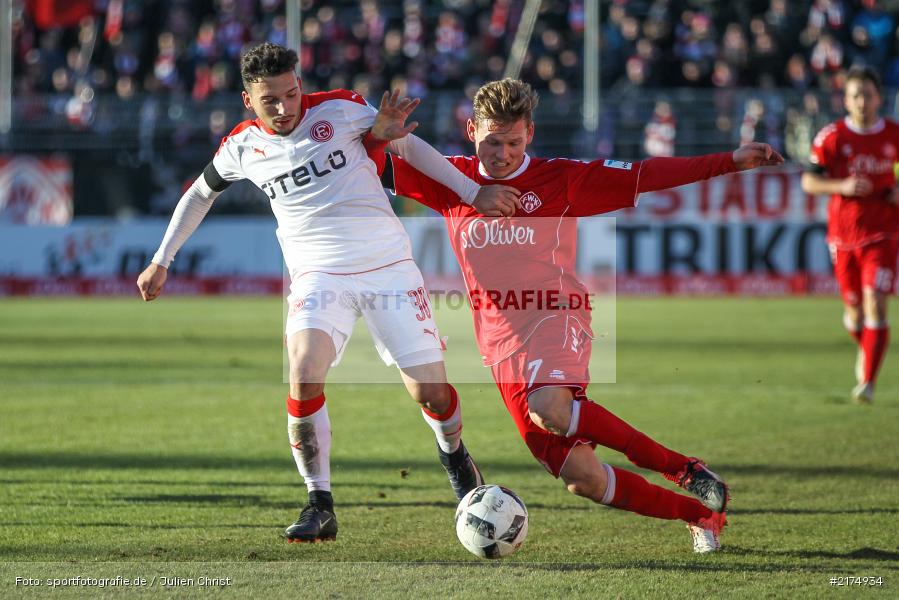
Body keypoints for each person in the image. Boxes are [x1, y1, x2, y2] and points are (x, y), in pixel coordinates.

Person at [366, 78, 783, 553]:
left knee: (551, 408)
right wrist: (381, 133)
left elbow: (646, 175)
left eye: (513, 142)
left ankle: (682, 467)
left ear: (531, 134)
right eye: (491, 142)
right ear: (470, 130)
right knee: (582, 478)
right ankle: (702, 516)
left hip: (555, 313)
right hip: (501, 347)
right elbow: (371, 165)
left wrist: (729, 161)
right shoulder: (451, 178)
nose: (501, 154)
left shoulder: (561, 179)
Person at [136, 42, 521, 543]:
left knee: (430, 392)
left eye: (291, 93)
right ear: (248, 99)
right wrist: (161, 260)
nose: (284, 107)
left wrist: (474, 193)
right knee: (302, 371)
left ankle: (454, 456)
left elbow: (404, 145)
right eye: (270, 99)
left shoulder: (340, 109)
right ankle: (320, 503)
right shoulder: (240, 146)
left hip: (388, 267)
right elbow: (200, 193)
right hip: (317, 276)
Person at [802, 65, 899, 405]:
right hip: (842, 237)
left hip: (883, 233)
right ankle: (868, 348)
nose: (862, 102)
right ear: (846, 100)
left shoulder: (893, 135)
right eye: (856, 95)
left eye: (867, 95)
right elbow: (809, 181)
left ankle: (867, 383)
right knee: (854, 313)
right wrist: (841, 185)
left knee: (875, 300)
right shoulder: (832, 137)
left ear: (878, 98)